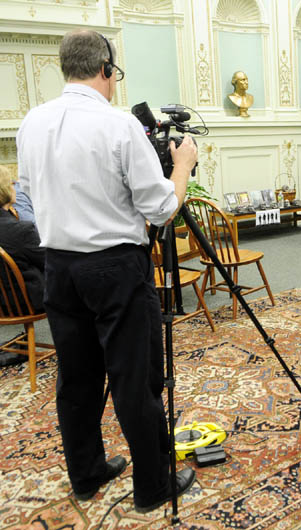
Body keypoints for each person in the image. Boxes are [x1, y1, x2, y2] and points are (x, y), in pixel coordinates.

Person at [16, 30, 198, 511]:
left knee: (76, 378)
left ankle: (87, 473)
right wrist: (182, 165)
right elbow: (160, 208)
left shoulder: (32, 122)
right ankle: (152, 487)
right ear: (105, 68)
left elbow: (28, 195)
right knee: (134, 379)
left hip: (59, 268)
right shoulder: (119, 127)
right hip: (115, 267)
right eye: (114, 74)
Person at [0, 165, 45, 366]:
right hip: (23, 302)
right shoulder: (22, 230)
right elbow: (49, 263)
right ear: (6, 190)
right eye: (12, 184)